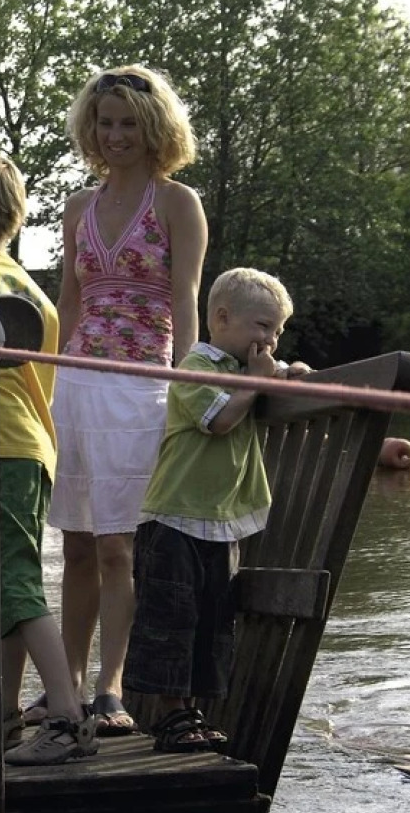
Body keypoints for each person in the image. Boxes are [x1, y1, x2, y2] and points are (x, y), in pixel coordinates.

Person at [29, 65, 207, 737]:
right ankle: (65, 686)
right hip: (77, 385)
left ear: (155, 127)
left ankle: (112, 686)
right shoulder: (77, 206)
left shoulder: (176, 203)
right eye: (105, 122)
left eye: (129, 122)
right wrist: (46, 390)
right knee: (74, 547)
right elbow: (69, 305)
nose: (116, 134)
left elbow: (187, 298)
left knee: (117, 551)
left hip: (141, 389)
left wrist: (186, 385)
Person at [0, 153, 99, 765]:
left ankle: (65, 715)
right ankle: (1, 715)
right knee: (7, 586)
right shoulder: (31, 288)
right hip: (33, 449)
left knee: (16, 585)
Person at [130, 267, 309, 752]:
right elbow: (222, 421)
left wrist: (290, 374)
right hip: (174, 519)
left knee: (210, 620)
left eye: (277, 331)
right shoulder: (196, 368)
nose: (270, 340)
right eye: (262, 327)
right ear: (224, 318)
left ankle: (191, 712)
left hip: (219, 522)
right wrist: (255, 383)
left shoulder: (242, 370)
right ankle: (170, 715)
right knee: (172, 621)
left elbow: (272, 381)